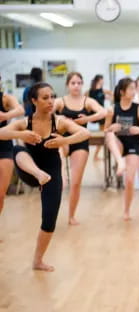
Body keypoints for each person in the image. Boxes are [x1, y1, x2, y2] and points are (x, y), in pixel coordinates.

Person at [0, 82, 89, 271]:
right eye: (45, 98)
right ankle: (38, 173)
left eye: (52, 97)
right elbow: (1, 133)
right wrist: (21, 134)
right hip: (31, 171)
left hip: (51, 173)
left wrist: (65, 140)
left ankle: (37, 261)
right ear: (34, 101)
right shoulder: (26, 122)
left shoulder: (60, 122)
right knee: (17, 149)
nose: (50, 101)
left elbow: (85, 132)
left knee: (49, 219)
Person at [54, 72, 106, 225]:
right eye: (73, 83)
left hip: (80, 142)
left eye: (79, 83)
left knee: (76, 182)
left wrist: (87, 119)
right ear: (67, 85)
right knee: (58, 182)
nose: (76, 86)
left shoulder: (87, 101)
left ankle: (71, 216)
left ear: (82, 84)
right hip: (62, 141)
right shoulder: (60, 101)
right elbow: (44, 113)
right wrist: (59, 118)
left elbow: (103, 112)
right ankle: (62, 171)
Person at [104, 77, 139, 221]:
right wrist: (111, 127)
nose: (134, 92)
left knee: (129, 180)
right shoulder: (113, 109)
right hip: (118, 143)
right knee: (109, 135)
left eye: (135, 88)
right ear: (122, 92)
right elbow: (106, 129)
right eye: (131, 89)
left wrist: (138, 130)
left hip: (133, 145)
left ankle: (127, 210)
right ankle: (120, 162)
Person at [0, 76, 25, 217]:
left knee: (1, 194)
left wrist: (4, 116)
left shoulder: (5, 98)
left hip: (4, 146)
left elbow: (20, 110)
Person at [87, 74, 113, 161]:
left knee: (104, 134)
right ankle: (96, 155)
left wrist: (109, 98)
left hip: (101, 115)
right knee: (104, 134)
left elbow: (111, 93)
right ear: (99, 80)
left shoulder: (102, 90)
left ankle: (96, 155)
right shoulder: (90, 91)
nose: (103, 81)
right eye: (102, 79)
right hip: (94, 115)